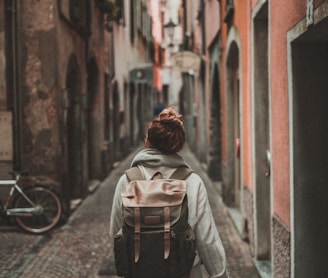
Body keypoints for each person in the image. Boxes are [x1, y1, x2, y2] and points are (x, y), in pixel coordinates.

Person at [109, 107, 228, 278]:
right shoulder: (192, 183)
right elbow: (207, 240)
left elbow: (116, 231)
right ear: (177, 145)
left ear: (148, 141)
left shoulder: (128, 181)